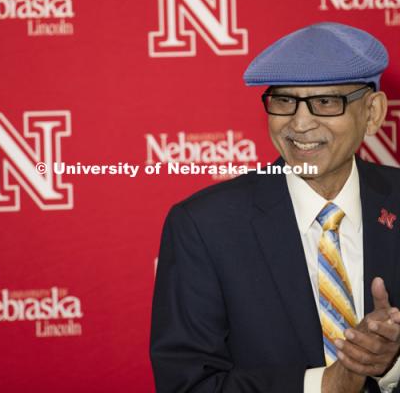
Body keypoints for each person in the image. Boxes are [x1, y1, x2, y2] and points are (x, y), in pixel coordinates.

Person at [150, 22, 400, 393]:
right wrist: (326, 385)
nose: (299, 123)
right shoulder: (204, 227)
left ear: (373, 112)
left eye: (326, 102)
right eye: (284, 101)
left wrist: (390, 364)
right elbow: (187, 385)